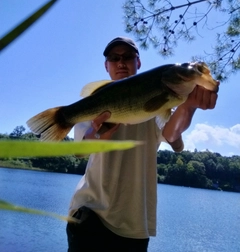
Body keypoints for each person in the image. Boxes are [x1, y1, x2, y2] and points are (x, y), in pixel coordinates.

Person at [66, 37, 219, 252]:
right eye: (114, 58)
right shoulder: (96, 102)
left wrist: (189, 105)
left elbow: (172, 134)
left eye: (128, 57)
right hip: (91, 214)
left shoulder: (159, 98)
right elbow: (80, 151)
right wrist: (96, 138)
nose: (121, 62)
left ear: (138, 63)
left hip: (136, 226)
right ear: (106, 65)